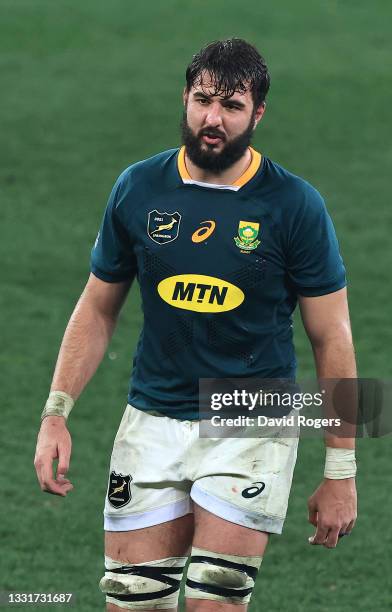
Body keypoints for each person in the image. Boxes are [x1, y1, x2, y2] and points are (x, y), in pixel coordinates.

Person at [34, 38, 357, 612]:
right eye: (203, 99)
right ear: (184, 97)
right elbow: (97, 306)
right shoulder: (139, 188)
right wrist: (56, 413)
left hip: (251, 417)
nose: (213, 118)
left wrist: (340, 469)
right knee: (132, 601)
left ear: (257, 114)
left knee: (216, 599)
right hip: (153, 415)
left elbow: (331, 337)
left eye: (232, 106)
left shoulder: (294, 206)